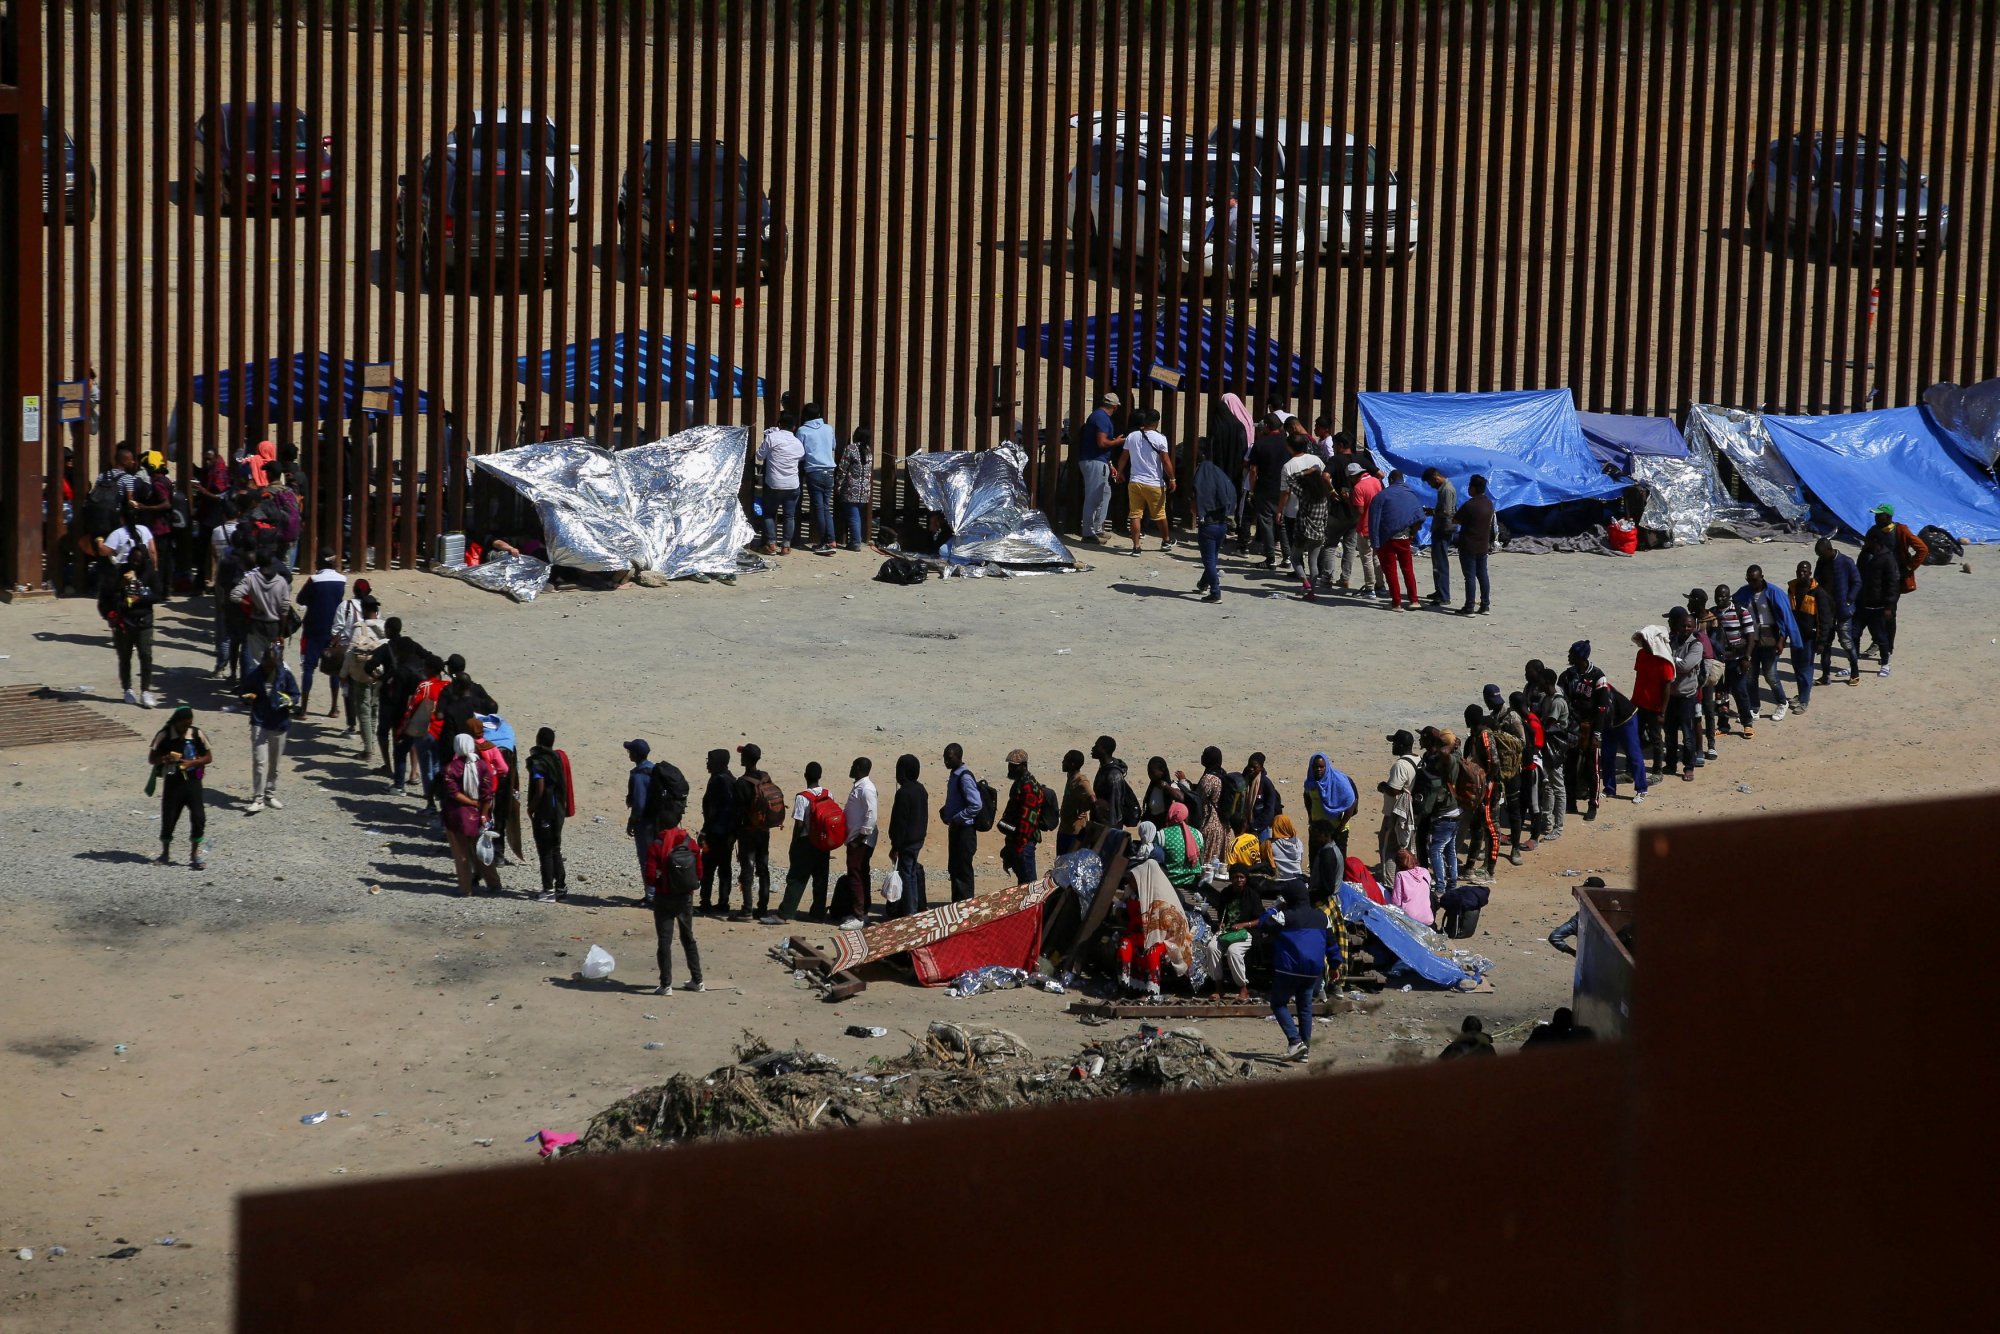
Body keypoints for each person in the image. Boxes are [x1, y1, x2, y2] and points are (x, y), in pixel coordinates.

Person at [1258, 881, 1337, 1061]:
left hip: (1290, 968)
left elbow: (1264, 924)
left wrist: (1274, 907)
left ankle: (1295, 1041)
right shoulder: (1322, 917)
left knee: (1278, 1003)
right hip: (1313, 970)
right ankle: (1304, 1051)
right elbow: (1332, 944)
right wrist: (1334, 966)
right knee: (1305, 1008)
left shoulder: (1285, 916)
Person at [644, 817, 706, 996]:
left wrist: (661, 881)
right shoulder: (690, 843)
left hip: (664, 897)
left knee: (665, 940)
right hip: (685, 897)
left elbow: (649, 877)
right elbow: (699, 872)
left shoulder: (656, 845)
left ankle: (666, 985)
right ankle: (698, 980)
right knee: (688, 937)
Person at [1115, 861, 1195, 999]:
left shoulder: (1161, 896)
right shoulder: (1133, 893)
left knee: (1151, 953)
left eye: (1133, 879)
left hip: (1162, 938)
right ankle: (1126, 985)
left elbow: (1173, 925)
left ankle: (1149, 990)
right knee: (1124, 947)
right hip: (1137, 935)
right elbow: (1123, 909)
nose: (1130, 882)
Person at [440, 733, 505, 897]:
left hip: (457, 817)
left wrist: (470, 802)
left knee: (461, 855)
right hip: (481, 816)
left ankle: (465, 888)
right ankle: (494, 884)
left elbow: (453, 793)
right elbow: (487, 794)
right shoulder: (483, 766)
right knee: (483, 851)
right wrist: (483, 813)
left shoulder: (450, 768)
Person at [1734, 564, 1799, 723]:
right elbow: (1733, 605)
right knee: (1750, 675)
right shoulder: (1744, 592)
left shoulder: (1774, 592)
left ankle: (1782, 702)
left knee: (1770, 675)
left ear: (1762, 577)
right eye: (1749, 580)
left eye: (1755, 580)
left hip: (1770, 638)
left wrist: (1782, 640)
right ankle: (1754, 707)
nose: (1752, 583)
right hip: (1752, 639)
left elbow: (1785, 616)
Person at [148, 706, 212, 869]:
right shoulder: (164, 735)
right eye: (184, 724)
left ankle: (194, 855)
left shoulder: (197, 734)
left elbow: (208, 757)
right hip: (173, 782)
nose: (186, 728)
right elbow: (152, 759)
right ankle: (165, 854)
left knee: (199, 817)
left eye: (189, 724)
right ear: (176, 722)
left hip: (193, 783)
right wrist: (165, 759)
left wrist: (194, 763)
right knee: (169, 818)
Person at [100, 543, 162, 708]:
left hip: (144, 621)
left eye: (139, 561)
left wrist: (140, 598)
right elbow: (107, 594)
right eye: (133, 560)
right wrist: (121, 585)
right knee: (125, 657)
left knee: (146, 655)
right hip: (124, 622)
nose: (135, 563)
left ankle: (146, 690)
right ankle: (127, 688)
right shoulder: (120, 571)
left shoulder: (151, 573)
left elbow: (158, 595)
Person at [239, 644, 298, 813]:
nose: (269, 667)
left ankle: (269, 794)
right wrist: (247, 697)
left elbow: (295, 695)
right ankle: (258, 798)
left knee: (274, 764)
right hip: (259, 721)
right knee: (259, 761)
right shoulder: (254, 674)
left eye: (272, 664)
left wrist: (289, 701)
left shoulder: (285, 675)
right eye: (267, 663)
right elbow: (243, 692)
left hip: (279, 724)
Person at [1112, 407, 1175, 554]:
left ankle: (1136, 546)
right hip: (1154, 483)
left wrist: (1119, 472)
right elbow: (1165, 461)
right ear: (1157, 422)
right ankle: (1165, 541)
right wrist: (1172, 478)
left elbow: (1123, 457)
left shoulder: (1132, 436)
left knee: (1135, 514)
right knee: (1160, 514)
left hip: (1135, 481)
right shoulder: (1160, 438)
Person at [777, 762, 834, 923]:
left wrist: (793, 844)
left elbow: (799, 824)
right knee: (821, 878)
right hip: (823, 842)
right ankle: (817, 913)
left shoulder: (802, 797)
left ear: (805, 775)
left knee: (796, 878)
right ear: (820, 776)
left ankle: (785, 913)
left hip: (806, 842)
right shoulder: (828, 794)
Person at [294, 550, 346, 718]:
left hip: (313, 629)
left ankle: (303, 709)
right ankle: (334, 708)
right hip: (333, 630)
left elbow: (300, 599)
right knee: (334, 668)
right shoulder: (342, 580)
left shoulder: (314, 580)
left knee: (308, 668)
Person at [1200, 863, 1259, 1002]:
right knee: (1212, 948)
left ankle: (1243, 987)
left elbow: (1260, 919)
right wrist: (1222, 923)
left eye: (1241, 877)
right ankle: (1218, 986)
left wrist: (1244, 924)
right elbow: (1222, 914)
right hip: (1228, 931)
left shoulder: (1252, 895)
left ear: (1246, 879)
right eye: (1235, 877)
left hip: (1246, 931)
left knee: (1234, 951)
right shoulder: (1226, 893)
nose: (1238, 880)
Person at [524, 727, 572, 901]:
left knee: (545, 851)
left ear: (538, 740)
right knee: (555, 849)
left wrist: (532, 807)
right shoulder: (556, 758)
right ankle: (561, 888)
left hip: (545, 811)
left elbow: (540, 787)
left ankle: (548, 891)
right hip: (558, 810)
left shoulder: (539, 762)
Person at [1242, 415, 1295, 569]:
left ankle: (1270, 558)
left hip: (1265, 487)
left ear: (1266, 426)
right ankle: (1287, 557)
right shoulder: (1288, 443)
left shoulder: (1260, 444)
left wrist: (1252, 491)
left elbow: (1253, 470)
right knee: (1283, 522)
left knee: (1267, 523)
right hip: (1285, 487)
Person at [1368, 470, 1424, 612]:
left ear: (1391, 480)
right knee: (1408, 569)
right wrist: (1412, 533)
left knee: (1391, 571)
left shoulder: (1381, 496)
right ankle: (1414, 600)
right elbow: (1420, 517)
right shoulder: (1411, 495)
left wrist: (1375, 542)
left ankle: (1396, 603)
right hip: (1404, 538)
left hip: (1386, 539)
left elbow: (1374, 521)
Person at [733, 743, 779, 919]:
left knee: (747, 868)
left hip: (747, 831)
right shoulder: (765, 777)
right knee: (763, 867)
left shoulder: (742, 783)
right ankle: (763, 908)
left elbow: (737, 810)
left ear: (745, 759)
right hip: (764, 830)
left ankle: (746, 909)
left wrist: (734, 832)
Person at [1189, 437, 1236, 603]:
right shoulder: (1219, 473)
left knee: (1208, 560)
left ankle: (1215, 592)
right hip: (1221, 524)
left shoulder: (1200, 475)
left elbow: (1195, 503)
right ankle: (1203, 584)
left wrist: (1195, 510)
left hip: (1208, 525)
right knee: (1213, 557)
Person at [232, 553, 293, 682]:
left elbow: (234, 595)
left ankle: (260, 692)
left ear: (257, 564)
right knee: (276, 660)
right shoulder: (281, 582)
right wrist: (282, 633)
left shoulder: (251, 579)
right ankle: (276, 690)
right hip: (275, 627)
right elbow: (285, 609)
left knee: (257, 662)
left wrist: (249, 604)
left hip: (256, 626)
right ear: (271, 563)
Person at [339, 596, 386, 760]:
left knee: (364, 711)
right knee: (374, 709)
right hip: (380, 675)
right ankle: (371, 742)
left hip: (362, 675)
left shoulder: (359, 628)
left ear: (364, 610)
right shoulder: (385, 627)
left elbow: (350, 654)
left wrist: (343, 674)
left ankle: (368, 749)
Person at [1285, 437, 1332, 599]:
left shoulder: (1304, 495)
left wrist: (1307, 471)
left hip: (1302, 531)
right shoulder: (1323, 498)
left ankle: (1304, 582)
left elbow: (1290, 478)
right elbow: (1325, 517)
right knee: (1313, 563)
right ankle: (1312, 590)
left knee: (1295, 558)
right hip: (1319, 533)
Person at [698, 748, 742, 916]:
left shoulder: (718, 781)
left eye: (710, 760)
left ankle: (706, 903)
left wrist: (704, 832)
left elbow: (714, 812)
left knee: (708, 869)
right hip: (728, 834)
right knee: (724, 869)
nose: (707, 763)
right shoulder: (730, 779)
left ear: (718, 762)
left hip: (716, 834)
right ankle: (723, 903)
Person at [1813, 538, 1861, 686]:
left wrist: (1849, 600)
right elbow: (1816, 581)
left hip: (1843, 611)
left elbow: (1857, 582)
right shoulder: (1821, 562)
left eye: (1821, 554)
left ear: (1829, 549)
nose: (1820, 557)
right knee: (1825, 643)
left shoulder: (1846, 562)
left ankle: (1854, 672)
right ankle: (1825, 676)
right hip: (1826, 611)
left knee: (1846, 642)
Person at [1662, 610, 1704, 781]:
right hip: (1671, 695)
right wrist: (1675, 661)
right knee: (1670, 733)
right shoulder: (1672, 641)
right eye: (1683, 625)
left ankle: (1689, 766)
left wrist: (1671, 661)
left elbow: (1686, 666)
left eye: (1689, 626)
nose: (1686, 628)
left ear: (1694, 627)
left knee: (1688, 734)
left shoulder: (1696, 645)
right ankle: (1671, 764)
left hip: (1687, 696)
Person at [1460, 706, 1502, 876]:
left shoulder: (1485, 736)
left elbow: (1494, 762)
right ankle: (1470, 866)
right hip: (1480, 788)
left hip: (1489, 788)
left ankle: (1489, 869)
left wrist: (1486, 781)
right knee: (1476, 826)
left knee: (1491, 827)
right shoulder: (1475, 736)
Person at [756, 413, 806, 555]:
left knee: (769, 514)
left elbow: (759, 456)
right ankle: (786, 545)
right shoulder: (797, 443)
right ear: (794, 427)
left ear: (779, 424)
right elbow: (801, 457)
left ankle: (771, 543)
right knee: (789, 516)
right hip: (792, 484)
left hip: (774, 483)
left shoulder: (772, 438)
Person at [1857, 526, 1902, 678]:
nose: (1864, 543)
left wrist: (1889, 606)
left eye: (1867, 540)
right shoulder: (1864, 555)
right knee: (1854, 634)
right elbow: (1858, 577)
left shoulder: (1887, 559)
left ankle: (1885, 663)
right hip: (1863, 603)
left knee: (1881, 636)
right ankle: (1853, 664)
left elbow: (1892, 584)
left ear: (1875, 541)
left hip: (1879, 605)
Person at [1078, 393, 1124, 543]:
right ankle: (1088, 533)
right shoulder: (1102, 418)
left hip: (1098, 460)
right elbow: (1102, 443)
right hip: (1094, 461)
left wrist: (1110, 464)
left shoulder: (1098, 416)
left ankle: (1096, 528)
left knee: (1104, 494)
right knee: (1094, 497)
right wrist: (1118, 441)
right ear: (1115, 407)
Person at [887, 753, 929, 917]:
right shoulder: (920, 789)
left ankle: (910, 912)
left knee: (907, 876)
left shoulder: (904, 793)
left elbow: (900, 823)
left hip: (906, 842)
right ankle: (914, 908)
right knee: (910, 873)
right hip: (918, 839)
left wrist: (895, 846)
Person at [1711, 581, 1756, 736]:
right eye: (1717, 596)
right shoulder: (1712, 614)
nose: (1720, 599)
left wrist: (1747, 658)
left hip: (1736, 659)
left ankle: (1747, 723)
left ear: (1729, 596)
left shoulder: (1740, 611)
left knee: (1740, 692)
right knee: (1721, 694)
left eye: (1723, 596)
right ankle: (1723, 725)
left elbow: (1751, 636)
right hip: (1719, 661)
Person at [939, 742, 982, 903]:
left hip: (965, 831)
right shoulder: (955, 774)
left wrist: (957, 817)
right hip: (957, 830)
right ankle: (957, 904)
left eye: (949, 758)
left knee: (962, 870)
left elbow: (976, 805)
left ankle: (964, 906)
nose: (946, 762)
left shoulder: (964, 777)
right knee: (955, 869)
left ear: (959, 757)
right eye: (944, 758)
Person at [839, 757, 878, 926]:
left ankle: (859, 916)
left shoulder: (867, 789)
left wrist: (860, 838)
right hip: (856, 838)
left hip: (860, 840)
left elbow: (872, 816)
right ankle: (863, 912)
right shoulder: (860, 786)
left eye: (854, 765)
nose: (851, 768)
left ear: (860, 768)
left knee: (855, 874)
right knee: (861, 873)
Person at [997, 749, 1045, 885]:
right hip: (1018, 840)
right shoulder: (1020, 782)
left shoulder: (1029, 786)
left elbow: (1027, 821)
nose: (1010, 769)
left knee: (1029, 885)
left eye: (1014, 766)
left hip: (1024, 842)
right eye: (1010, 765)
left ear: (1024, 766)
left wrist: (1019, 847)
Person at [1377, 730, 1418, 886]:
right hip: (1410, 814)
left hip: (1395, 815)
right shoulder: (1417, 760)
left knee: (1388, 849)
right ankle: (1405, 882)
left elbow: (1394, 790)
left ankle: (1389, 885)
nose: (1392, 746)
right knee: (1405, 849)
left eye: (1394, 743)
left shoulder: (1400, 765)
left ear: (1401, 746)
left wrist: (1382, 787)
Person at [1631, 624, 1675, 771]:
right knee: (1635, 736)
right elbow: (1639, 678)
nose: (1643, 644)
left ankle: (1657, 770)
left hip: (1654, 707)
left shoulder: (1664, 662)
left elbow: (1666, 688)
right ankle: (1633, 768)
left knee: (1656, 739)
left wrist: (1662, 712)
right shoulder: (1641, 655)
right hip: (1638, 703)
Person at [796, 403, 839, 554]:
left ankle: (824, 541)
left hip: (814, 471)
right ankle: (832, 539)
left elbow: (799, 452)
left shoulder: (802, 430)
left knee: (819, 508)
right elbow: (833, 446)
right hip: (829, 470)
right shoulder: (828, 428)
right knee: (826, 506)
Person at [1786, 559, 1827, 713]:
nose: (1801, 574)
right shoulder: (1792, 589)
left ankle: (1804, 701)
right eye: (1799, 571)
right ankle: (1802, 693)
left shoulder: (1818, 593)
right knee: (1796, 666)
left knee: (1805, 669)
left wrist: (1822, 641)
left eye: (1804, 571)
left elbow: (1825, 619)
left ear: (1810, 574)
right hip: (1795, 636)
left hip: (1810, 638)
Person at [1597, 683, 1648, 805]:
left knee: (1633, 754)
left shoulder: (1603, 691)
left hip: (1626, 720)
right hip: (1608, 723)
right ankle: (1609, 788)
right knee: (1607, 755)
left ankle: (1641, 789)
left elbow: (1607, 711)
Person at [1338, 461, 1383, 597]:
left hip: (1365, 526)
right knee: (1377, 556)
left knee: (1366, 558)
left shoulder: (1358, 487)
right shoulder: (1376, 481)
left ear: (1353, 476)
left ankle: (1370, 587)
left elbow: (1360, 510)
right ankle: (1381, 585)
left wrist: (1348, 500)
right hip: (1378, 524)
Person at [1454, 475, 1496, 615]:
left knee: (1470, 577)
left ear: (1473, 488)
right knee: (1483, 575)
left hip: (1468, 546)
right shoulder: (1489, 503)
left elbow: (1456, 519)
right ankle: (1485, 605)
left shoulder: (1469, 505)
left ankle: (1469, 606)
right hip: (1483, 546)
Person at [1869, 503, 1930, 596]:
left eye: (1880, 515)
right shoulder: (1873, 531)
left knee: (1890, 602)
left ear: (1889, 517)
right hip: (1877, 573)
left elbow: (1922, 549)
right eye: (1876, 515)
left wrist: (1909, 567)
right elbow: (1866, 550)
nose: (1876, 517)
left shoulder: (1901, 530)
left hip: (1895, 574)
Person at [623, 738, 658, 889]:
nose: (628, 753)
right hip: (656, 821)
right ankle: (657, 892)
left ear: (637, 754)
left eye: (630, 751)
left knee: (646, 859)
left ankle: (651, 895)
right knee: (656, 857)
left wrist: (632, 822)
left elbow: (638, 804)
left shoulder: (639, 775)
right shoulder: (653, 769)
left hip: (645, 823)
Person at [1421, 467, 1458, 607]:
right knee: (1437, 562)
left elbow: (1447, 512)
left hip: (1444, 529)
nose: (1430, 486)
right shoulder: (1443, 489)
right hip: (1440, 529)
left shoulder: (1447, 490)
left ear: (1435, 478)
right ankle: (1439, 591)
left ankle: (1444, 595)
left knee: (1441, 563)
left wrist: (1432, 511)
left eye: (1430, 482)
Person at [833, 427, 874, 551]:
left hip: (851, 488)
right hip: (864, 490)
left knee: (853, 516)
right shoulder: (868, 450)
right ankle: (854, 540)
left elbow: (842, 468)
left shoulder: (851, 449)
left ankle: (856, 542)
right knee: (856, 515)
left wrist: (837, 484)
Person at [1159, 800, 1204, 890]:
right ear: (1186, 817)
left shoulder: (1162, 834)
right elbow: (1201, 858)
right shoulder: (1198, 834)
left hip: (1169, 883)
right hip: (1191, 882)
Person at [1058, 748, 1094, 854]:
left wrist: (1081, 809)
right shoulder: (1071, 777)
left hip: (1074, 832)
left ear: (1072, 764)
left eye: (1065, 760)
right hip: (1066, 828)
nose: (1062, 762)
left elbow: (1093, 799)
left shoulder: (1081, 780)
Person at [1388, 847, 1435, 927]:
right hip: (1427, 918)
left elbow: (1396, 902)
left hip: (1409, 919)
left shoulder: (1401, 875)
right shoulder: (1425, 871)